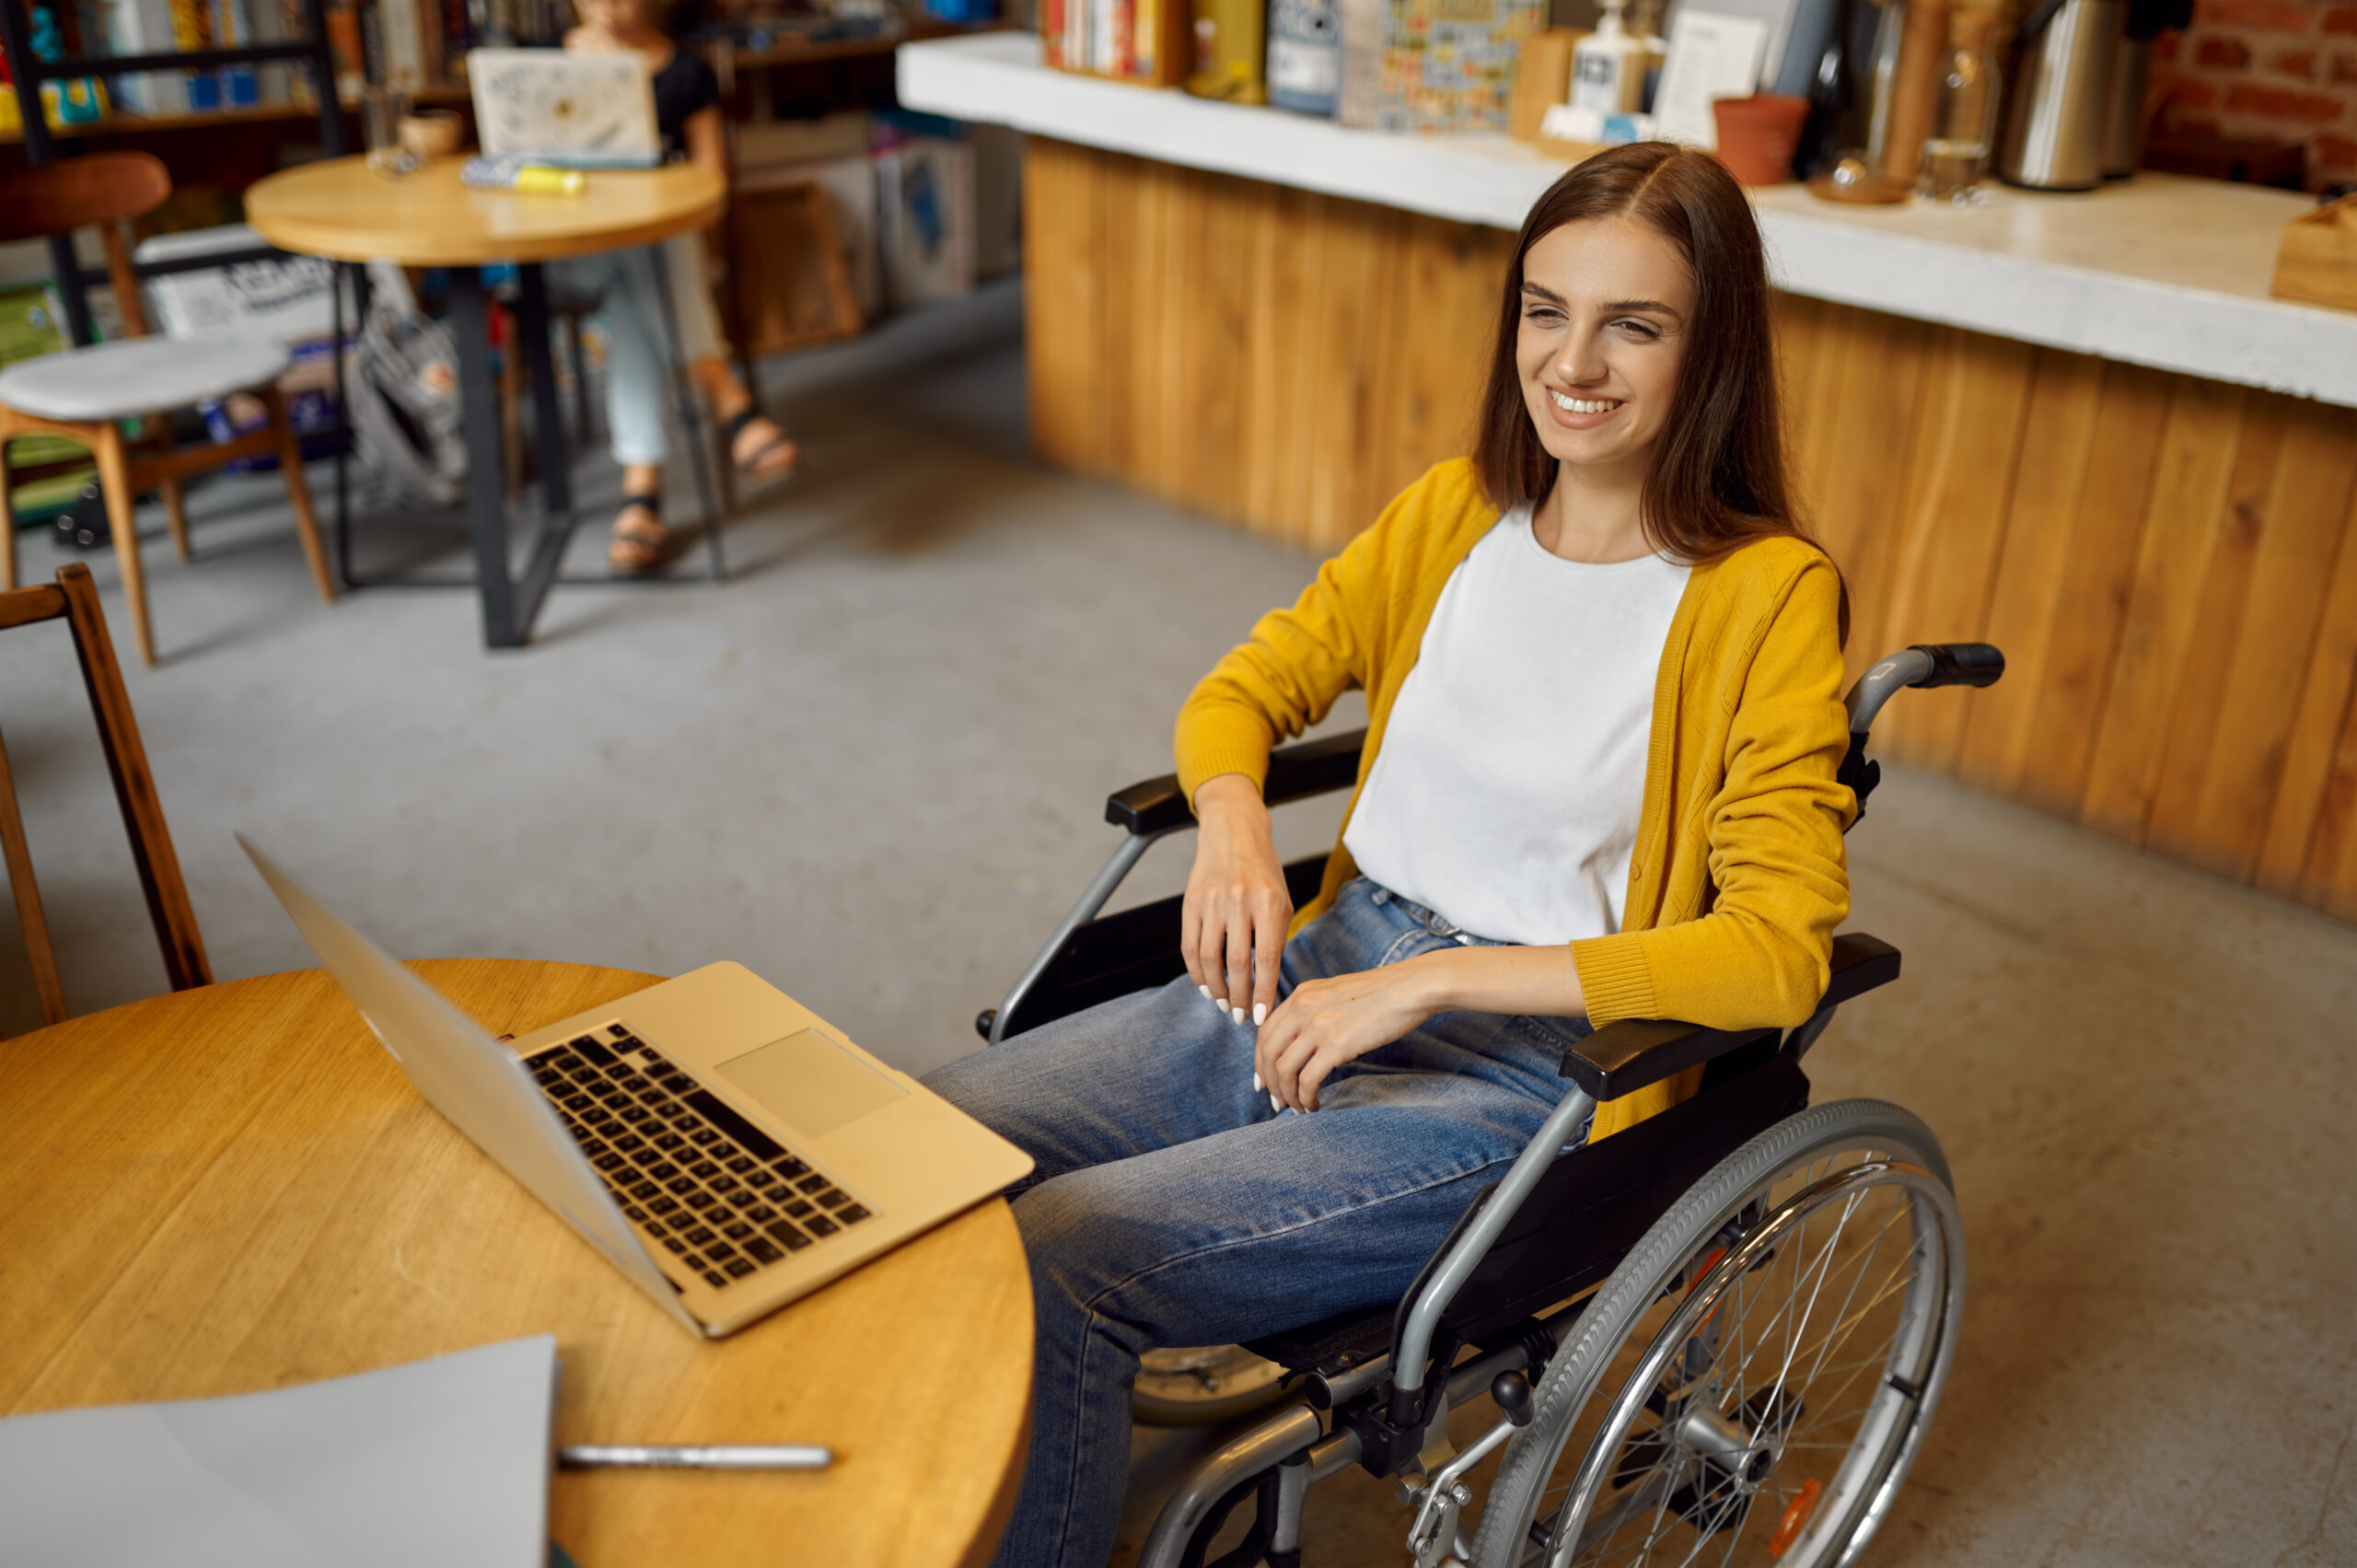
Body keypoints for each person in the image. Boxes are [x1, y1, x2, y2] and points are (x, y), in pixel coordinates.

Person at [921, 142, 1858, 1568]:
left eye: (1635, 323)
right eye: (1547, 309)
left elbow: (1781, 946)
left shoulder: (1763, 597)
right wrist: (1235, 824)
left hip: (1517, 1082)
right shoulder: (1453, 513)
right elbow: (1244, 690)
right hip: (1317, 967)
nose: (1575, 362)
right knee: (925, 1148)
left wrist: (1432, 985)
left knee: (1068, 1260)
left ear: (1712, 344)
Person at [553, 0, 799, 573]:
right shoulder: (542, 68)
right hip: (569, 251)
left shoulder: (686, 73)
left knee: (642, 259)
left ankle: (642, 492)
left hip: (649, 255)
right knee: (648, 252)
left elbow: (711, 183)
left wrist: (649, 192)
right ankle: (726, 398)